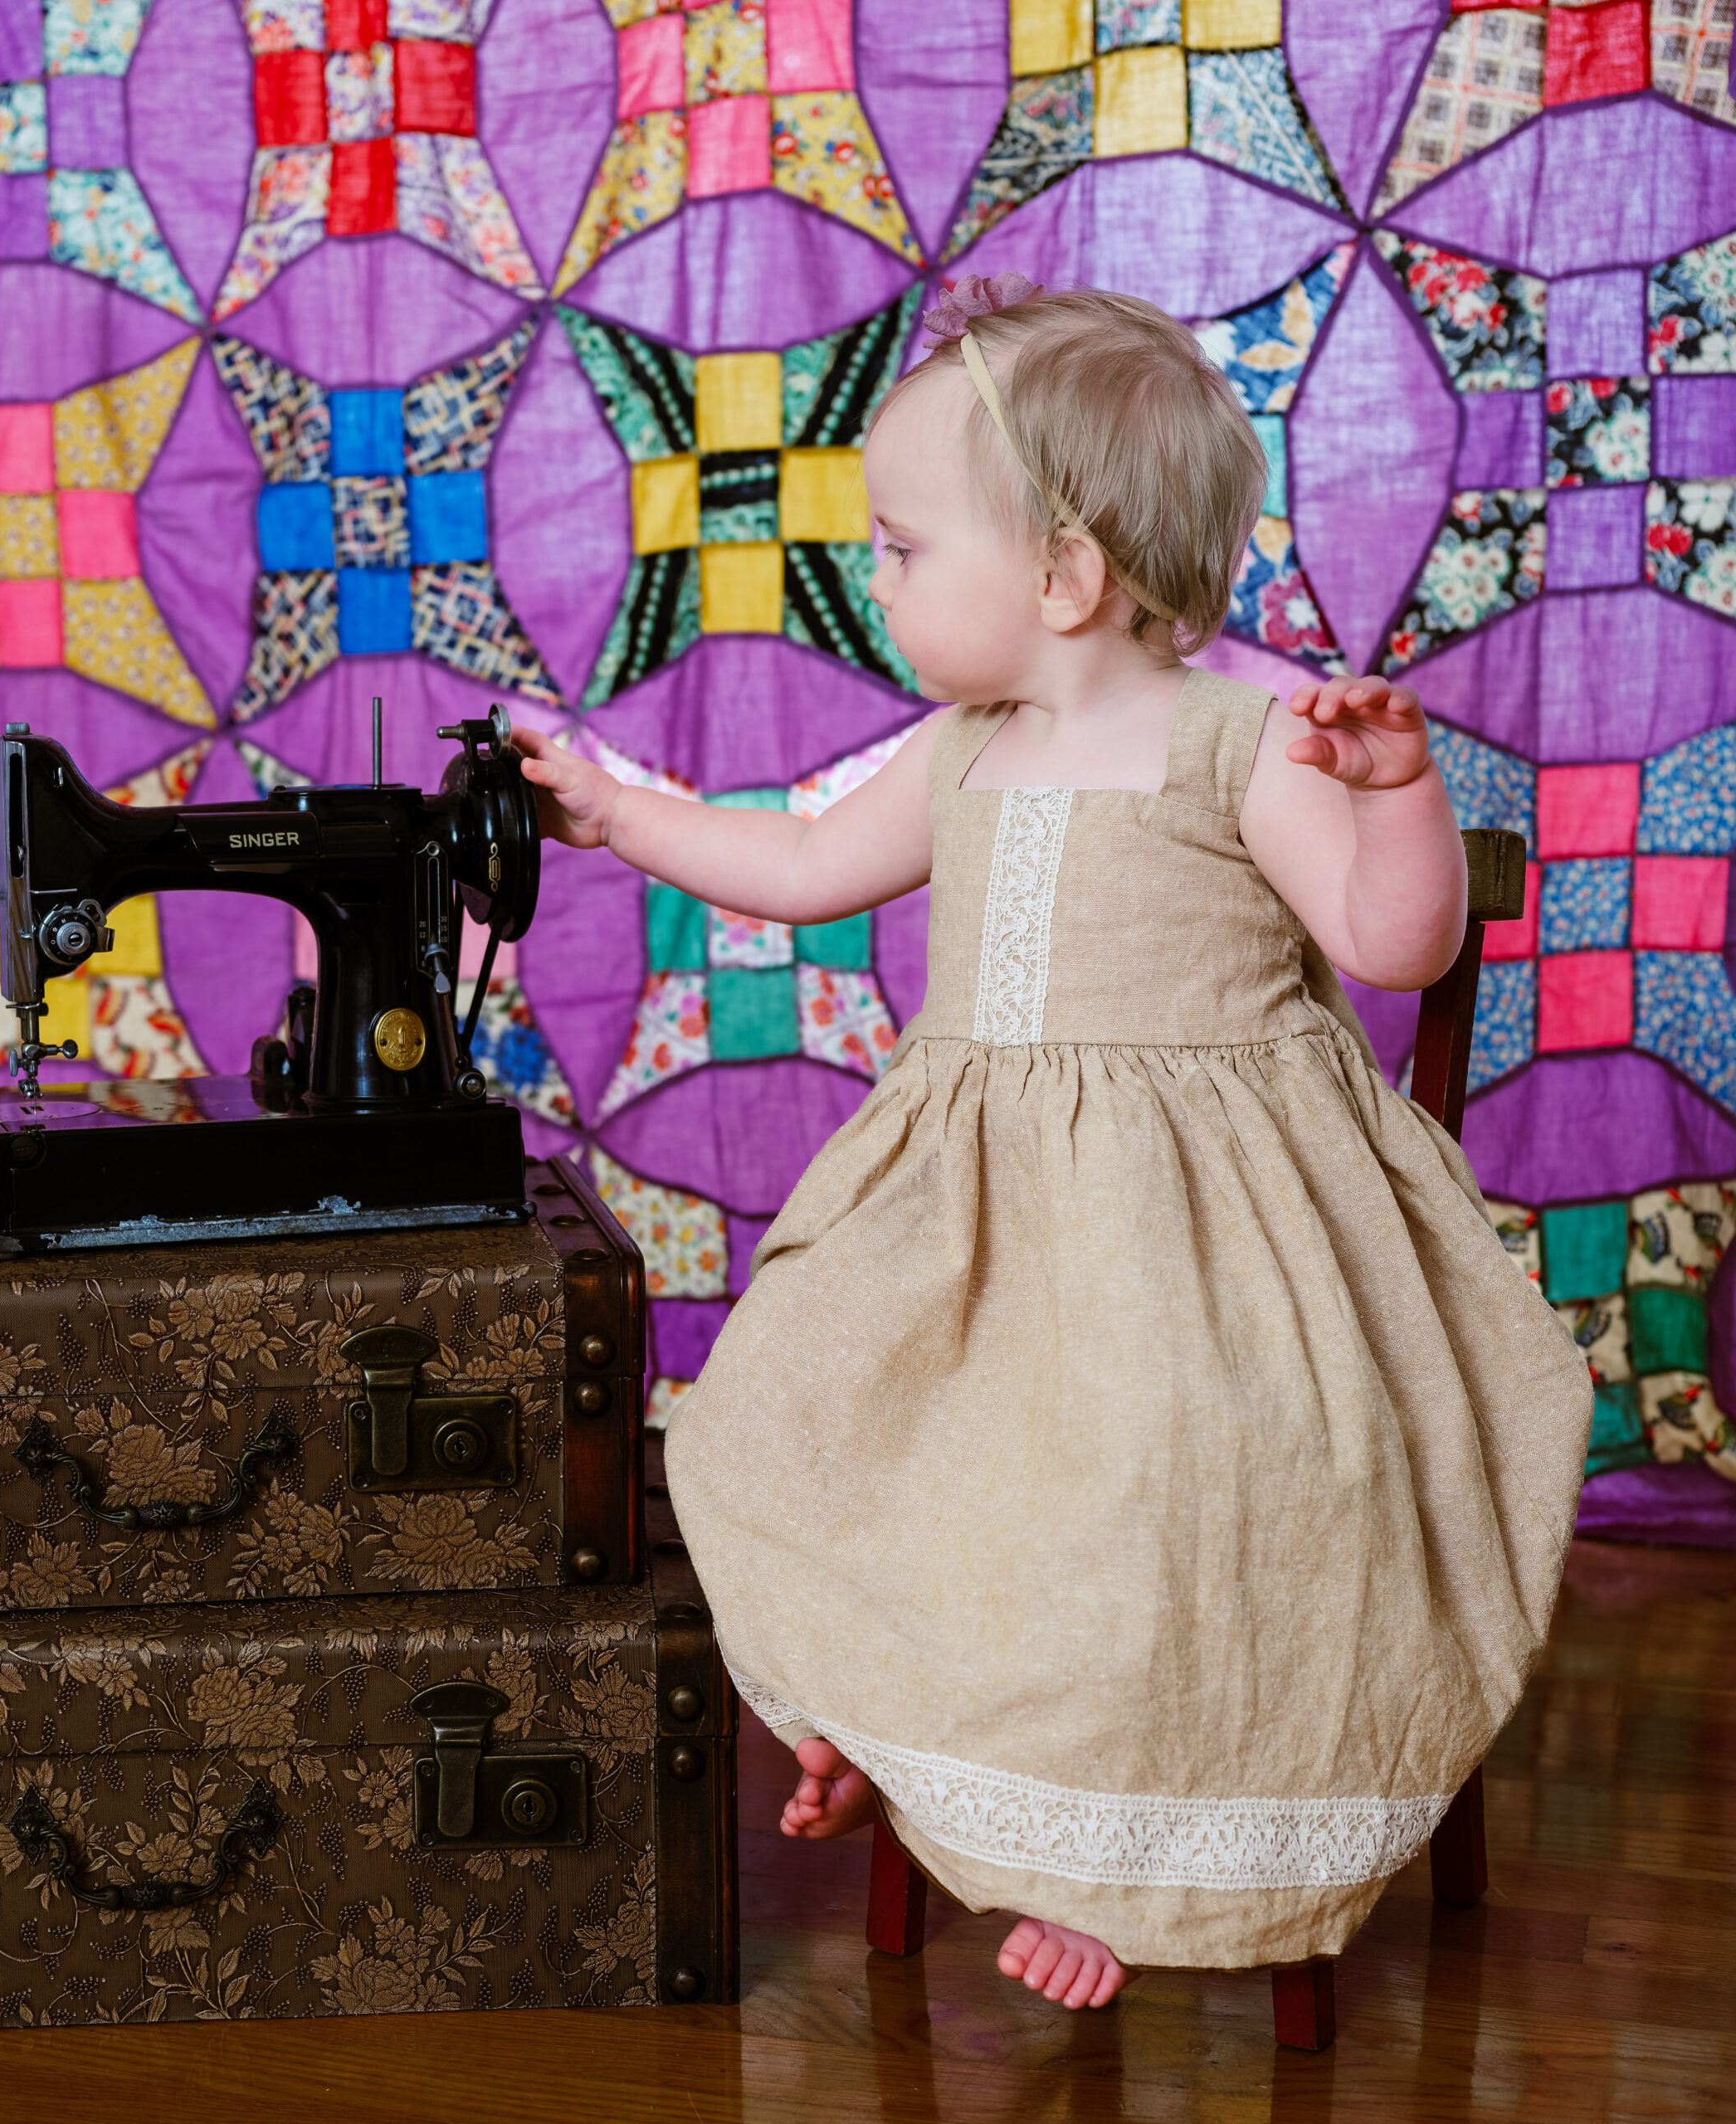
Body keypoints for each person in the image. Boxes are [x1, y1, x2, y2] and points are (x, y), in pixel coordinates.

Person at [514, 278, 1591, 2013]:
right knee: (805, 1407)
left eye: (905, 544)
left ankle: (1110, 1871)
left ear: (1064, 576)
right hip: (985, 1242)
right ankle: (917, 1747)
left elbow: (1397, 947)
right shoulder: (956, 758)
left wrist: (1393, 799)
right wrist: (611, 802)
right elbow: (787, 868)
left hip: (1209, 1258)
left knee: (1170, 1480)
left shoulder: (1237, 746)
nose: (874, 573)